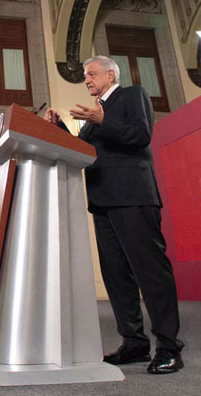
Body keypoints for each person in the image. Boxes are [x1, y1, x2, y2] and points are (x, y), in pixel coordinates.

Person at [45, 55, 183, 375]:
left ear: (110, 75)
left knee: (151, 273)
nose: (86, 80)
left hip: (133, 198)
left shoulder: (132, 96)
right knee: (117, 277)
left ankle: (169, 347)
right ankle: (134, 343)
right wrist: (59, 127)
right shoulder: (95, 115)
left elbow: (141, 135)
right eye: (85, 75)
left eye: (92, 74)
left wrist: (103, 120)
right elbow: (81, 151)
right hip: (103, 202)